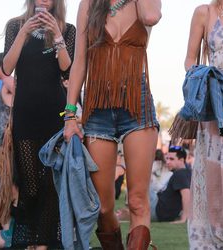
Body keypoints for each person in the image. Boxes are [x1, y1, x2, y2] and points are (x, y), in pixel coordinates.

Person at [64, 0, 161, 248]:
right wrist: (70, 115)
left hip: (136, 105)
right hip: (98, 108)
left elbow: (151, 16)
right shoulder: (89, 4)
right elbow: (79, 63)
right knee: (103, 207)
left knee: (138, 200)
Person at [0, 0, 76, 249]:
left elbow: (67, 72)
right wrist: (24, 33)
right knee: (29, 185)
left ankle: (44, 244)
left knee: (51, 183)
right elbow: (7, 67)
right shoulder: (15, 26)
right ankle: (27, 239)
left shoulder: (68, 29)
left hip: (55, 114)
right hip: (26, 114)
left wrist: (57, 35)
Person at [185, 0, 223, 248]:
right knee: (216, 178)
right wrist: (205, 81)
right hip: (216, 110)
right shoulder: (203, 12)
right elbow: (189, 60)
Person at [150, 146, 191, 223]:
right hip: (163, 210)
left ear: (181, 160)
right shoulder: (188, 172)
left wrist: (184, 218)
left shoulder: (180, 173)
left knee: (140, 179)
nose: (167, 162)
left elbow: (186, 194)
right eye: (167, 158)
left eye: (171, 159)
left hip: (158, 211)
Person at [0, 52, 15, 148]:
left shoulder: (8, 80)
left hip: (8, 139)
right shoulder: (6, 82)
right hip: (5, 138)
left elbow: (23, 100)